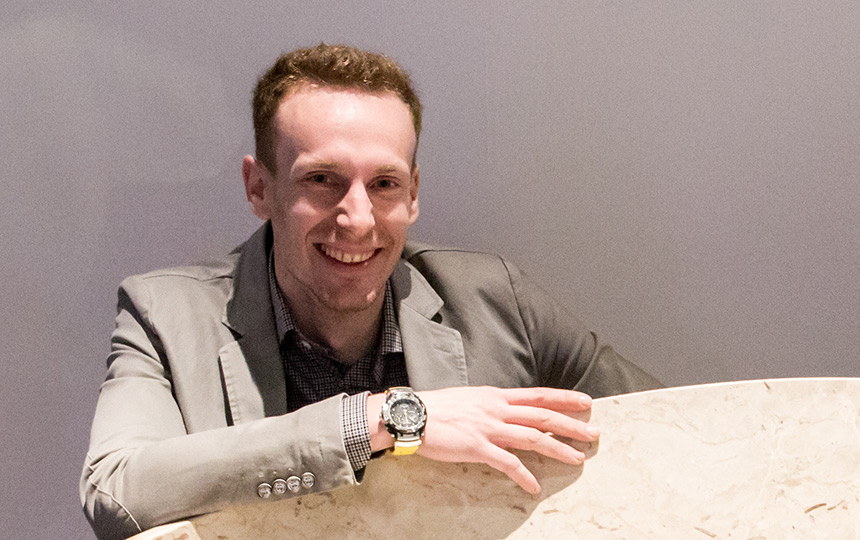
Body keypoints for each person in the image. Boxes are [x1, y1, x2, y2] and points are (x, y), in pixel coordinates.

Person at [80, 43, 661, 540]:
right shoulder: (164, 316)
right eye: (322, 179)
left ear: (413, 194)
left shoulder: (496, 301)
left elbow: (679, 427)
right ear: (259, 188)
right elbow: (115, 490)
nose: (357, 220)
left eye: (384, 183)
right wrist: (382, 420)